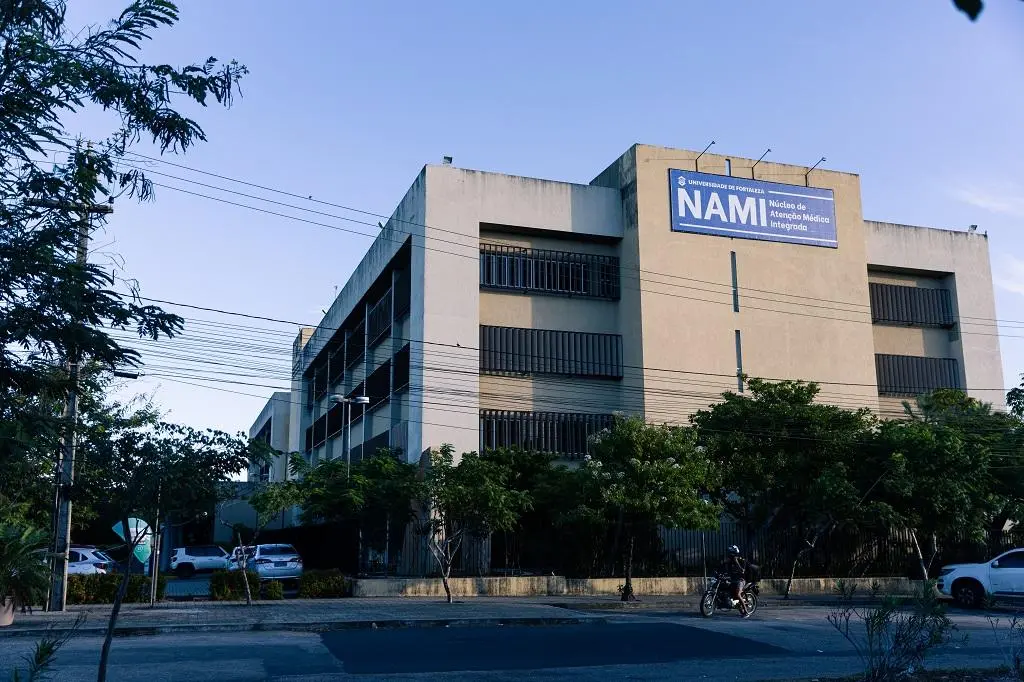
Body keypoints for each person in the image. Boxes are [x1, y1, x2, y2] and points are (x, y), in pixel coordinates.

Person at [719, 545, 750, 617]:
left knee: (738, 594)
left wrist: (736, 562)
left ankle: (746, 612)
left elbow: (742, 571)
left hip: (740, 580)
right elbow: (724, 569)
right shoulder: (729, 562)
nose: (728, 555)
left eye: (730, 553)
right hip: (732, 580)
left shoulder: (741, 560)